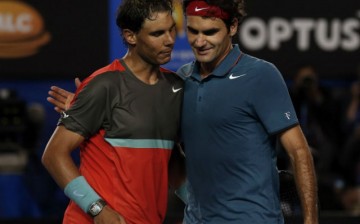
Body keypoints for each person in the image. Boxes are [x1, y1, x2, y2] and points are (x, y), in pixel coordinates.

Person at [48, 0, 319, 223]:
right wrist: (90, 105)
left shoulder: (249, 76)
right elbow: (55, 154)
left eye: (210, 32)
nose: (198, 42)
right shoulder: (172, 81)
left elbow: (298, 151)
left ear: (233, 27)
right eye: (192, 31)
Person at [42, 1, 184, 224]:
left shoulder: (175, 87)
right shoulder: (103, 85)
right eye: (158, 33)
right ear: (131, 36)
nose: (170, 40)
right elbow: (53, 155)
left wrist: (202, 205)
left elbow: (169, 159)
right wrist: (97, 209)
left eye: (171, 30)